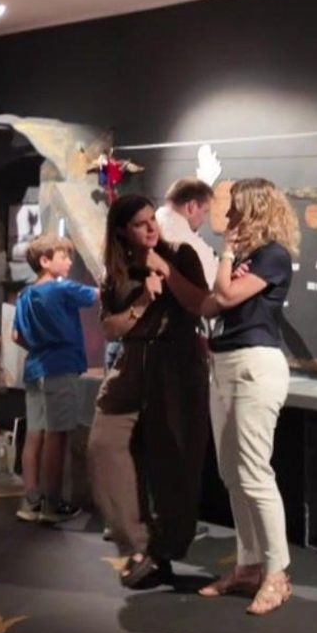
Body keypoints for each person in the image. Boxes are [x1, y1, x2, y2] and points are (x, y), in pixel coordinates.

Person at [160, 177, 297, 616]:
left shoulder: (273, 256)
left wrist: (227, 254)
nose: (227, 216)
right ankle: (248, 564)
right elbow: (208, 307)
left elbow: (226, 293)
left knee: (255, 472)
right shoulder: (246, 256)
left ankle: (277, 574)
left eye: (235, 208)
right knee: (231, 472)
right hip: (223, 364)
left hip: (256, 365)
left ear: (255, 210)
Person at [94, 195, 211, 588]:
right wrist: (143, 301)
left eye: (152, 220)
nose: (150, 227)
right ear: (123, 230)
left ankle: (165, 550)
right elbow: (109, 328)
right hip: (131, 362)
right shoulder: (116, 270)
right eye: (140, 223)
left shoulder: (180, 254)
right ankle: (137, 544)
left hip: (176, 363)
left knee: (175, 460)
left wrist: (166, 270)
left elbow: (200, 305)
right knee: (104, 445)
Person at [12, 234, 99, 525]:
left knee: (34, 433)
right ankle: (52, 502)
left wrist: (40, 347)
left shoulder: (25, 295)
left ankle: (31, 499)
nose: (70, 262)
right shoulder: (64, 290)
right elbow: (99, 294)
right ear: (45, 261)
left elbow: (16, 336)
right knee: (57, 435)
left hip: (35, 367)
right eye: (64, 257)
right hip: (60, 368)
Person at [156, 178, 217, 279]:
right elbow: (212, 285)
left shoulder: (156, 222)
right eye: (205, 211)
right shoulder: (189, 242)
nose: (204, 220)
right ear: (191, 207)